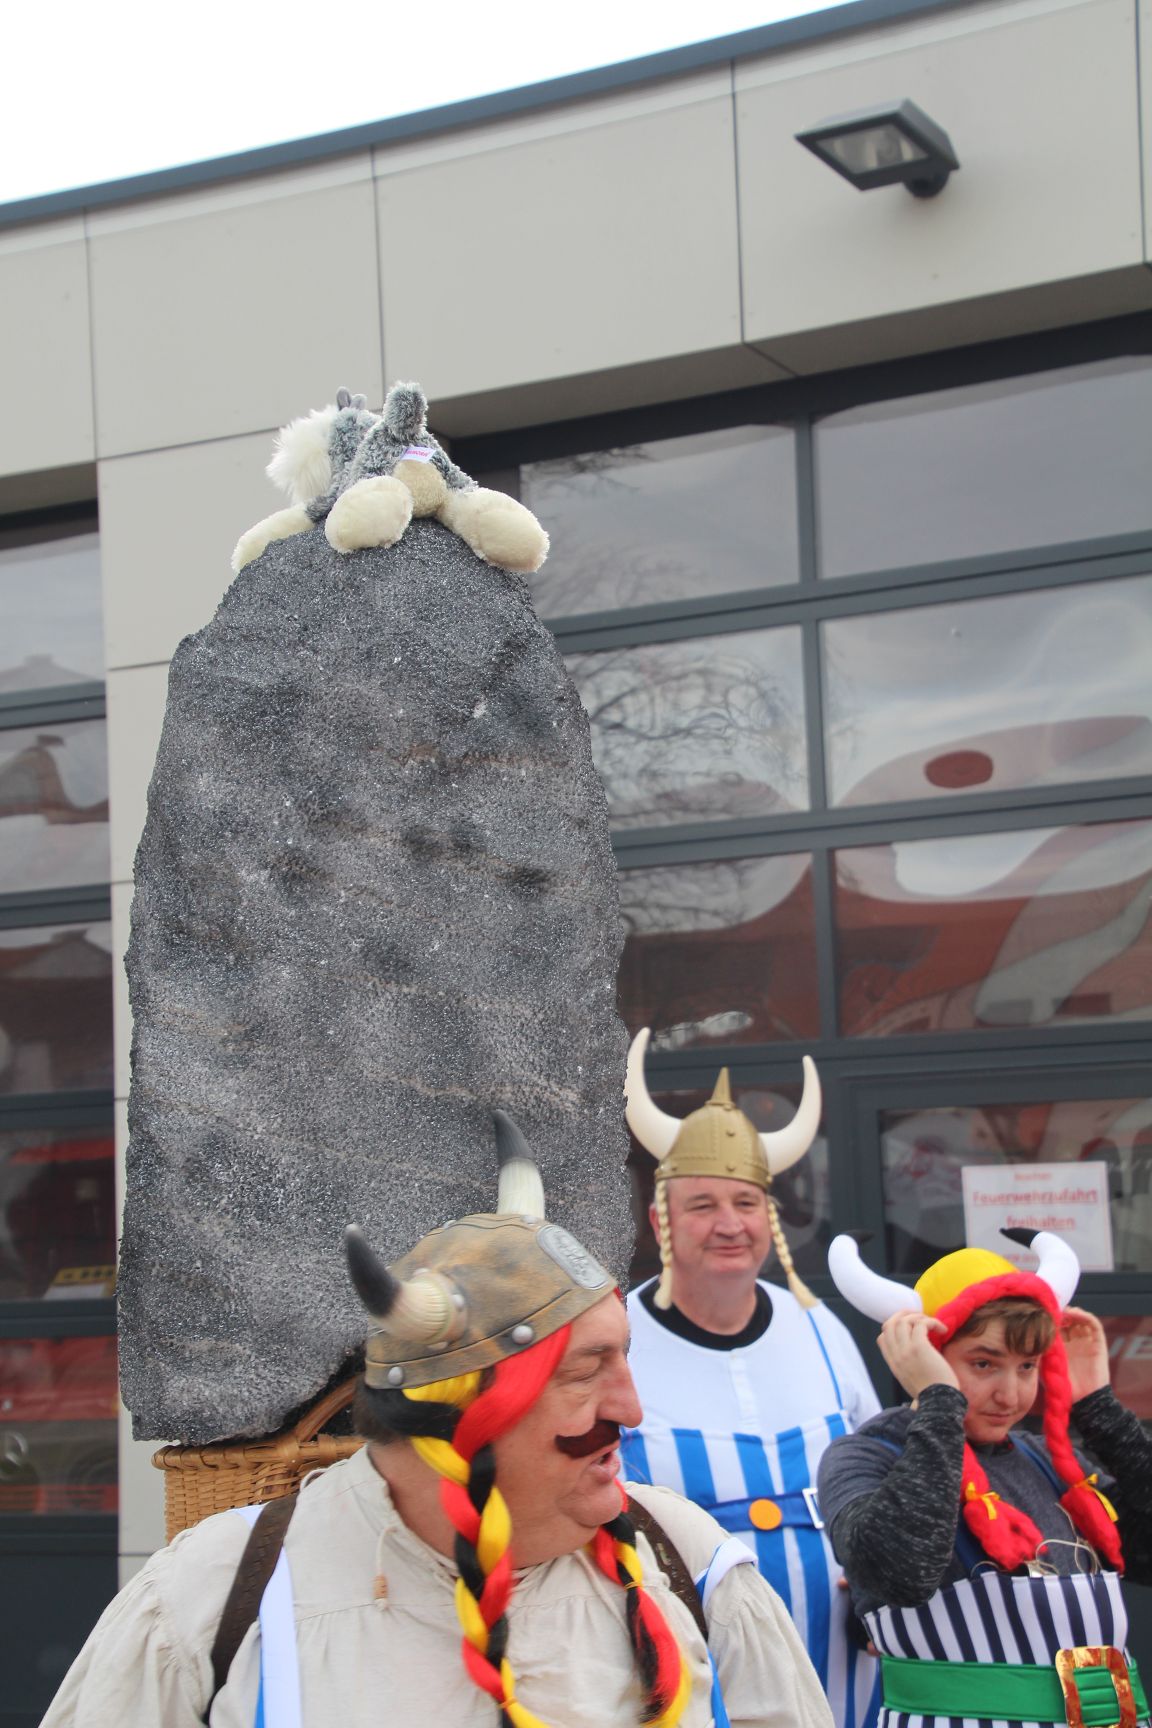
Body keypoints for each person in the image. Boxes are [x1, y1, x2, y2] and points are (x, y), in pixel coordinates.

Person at [41, 1113, 835, 1728]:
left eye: (623, 1359)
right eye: (586, 1371)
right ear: (457, 1410)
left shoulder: (690, 1563)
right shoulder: (209, 1600)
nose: (631, 1409)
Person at [622, 1029, 882, 1728]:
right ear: (661, 1222)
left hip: (847, 1679)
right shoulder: (615, 1342)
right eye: (702, 1205)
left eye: (745, 1203)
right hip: (694, 1676)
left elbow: (881, 1474)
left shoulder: (821, 1330)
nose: (729, 1224)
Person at [818, 1229, 1152, 1728]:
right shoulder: (865, 1455)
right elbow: (903, 1574)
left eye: (1027, 1366)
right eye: (983, 1363)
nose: (1010, 1395)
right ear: (923, 1353)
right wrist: (939, 1401)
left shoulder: (1049, 1461)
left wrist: (1099, 1409)